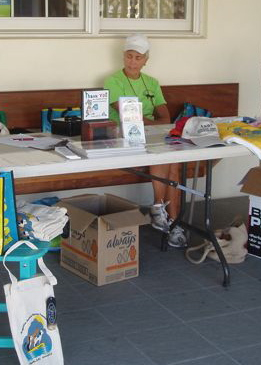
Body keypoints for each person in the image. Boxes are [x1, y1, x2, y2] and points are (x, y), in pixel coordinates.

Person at [103, 34, 186, 248]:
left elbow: (165, 118)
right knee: (162, 155)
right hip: (124, 135)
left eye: (138, 57)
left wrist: (149, 122)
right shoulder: (113, 81)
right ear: (123, 57)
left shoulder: (152, 82)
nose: (133, 61)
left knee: (174, 164)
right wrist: (152, 122)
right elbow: (125, 114)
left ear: (145, 60)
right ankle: (160, 208)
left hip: (153, 133)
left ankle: (171, 219)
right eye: (129, 56)